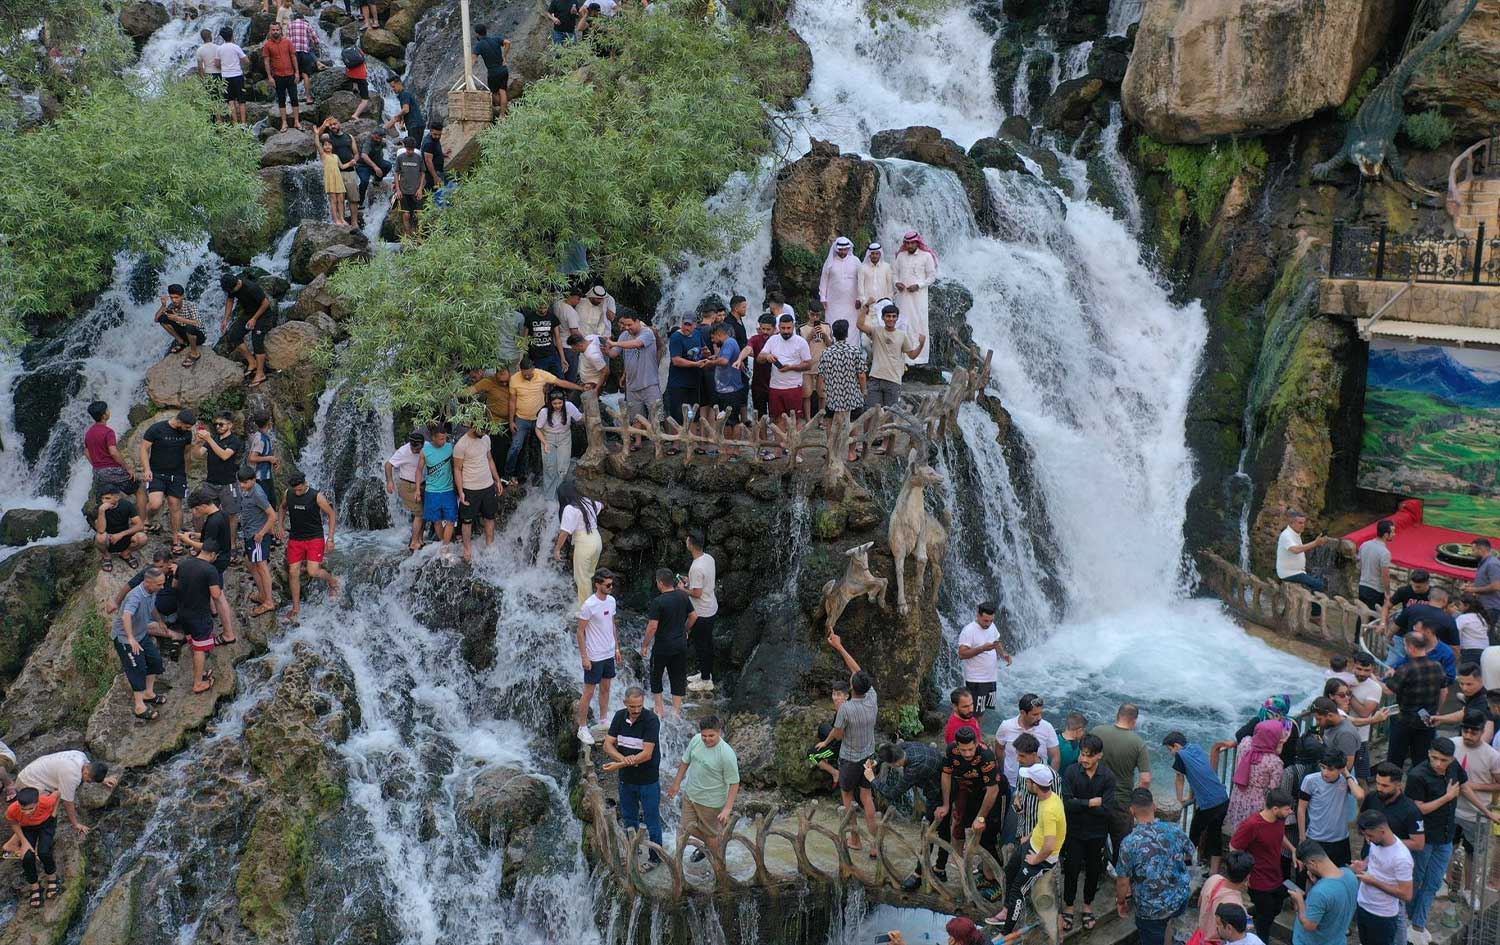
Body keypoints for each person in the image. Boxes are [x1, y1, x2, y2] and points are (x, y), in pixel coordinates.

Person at [1406, 737, 1498, 942]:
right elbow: (1419, 809)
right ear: (1429, 753)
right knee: (1415, 880)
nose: (1439, 763)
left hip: (1445, 837)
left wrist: (1486, 812)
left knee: (1433, 883)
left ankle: (1418, 925)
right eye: (1435, 758)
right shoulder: (1417, 775)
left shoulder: (1454, 767)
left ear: (1451, 759)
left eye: (1444, 760)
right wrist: (1447, 797)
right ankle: (1409, 919)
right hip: (1424, 838)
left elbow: (1464, 788)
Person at [1107, 787, 1194, 945]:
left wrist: (1121, 902)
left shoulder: (1129, 843)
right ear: (1154, 806)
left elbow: (1123, 882)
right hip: (1180, 898)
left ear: (1132, 811)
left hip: (1151, 910)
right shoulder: (1174, 829)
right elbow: (1190, 853)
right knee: (1169, 923)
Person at [987, 763, 1067, 932]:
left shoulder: (1049, 809)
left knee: (1018, 891)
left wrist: (1035, 859)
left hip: (1041, 857)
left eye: (1028, 781)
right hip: (1032, 844)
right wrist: (1030, 836)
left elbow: (1050, 845)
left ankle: (1007, 931)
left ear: (1035, 785)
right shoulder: (1048, 797)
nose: (1026, 783)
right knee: (1009, 871)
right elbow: (1042, 826)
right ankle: (1006, 911)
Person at [871, 740, 946, 890]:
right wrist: (876, 761)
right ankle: (940, 869)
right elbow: (890, 749)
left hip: (940, 792)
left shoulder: (913, 769)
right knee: (941, 831)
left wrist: (872, 779)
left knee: (929, 832)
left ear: (896, 764)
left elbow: (892, 793)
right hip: (938, 780)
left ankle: (920, 874)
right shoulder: (906, 747)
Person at [1061, 733, 1116, 933]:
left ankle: (1087, 905)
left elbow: (1107, 809)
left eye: (1089, 755)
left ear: (1099, 755)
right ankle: (1068, 906)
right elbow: (1066, 804)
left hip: (1097, 833)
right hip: (1074, 832)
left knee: (1094, 871)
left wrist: (1079, 804)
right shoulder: (1071, 772)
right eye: (1082, 754)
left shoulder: (1108, 776)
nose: (1084, 759)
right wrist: (1091, 803)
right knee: (1071, 869)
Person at [601, 686, 661, 869]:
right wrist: (623, 759)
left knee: (652, 820)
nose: (636, 710)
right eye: (632, 706)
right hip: (626, 779)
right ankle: (633, 852)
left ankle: (655, 858)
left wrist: (619, 764)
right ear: (625, 703)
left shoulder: (651, 720)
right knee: (629, 819)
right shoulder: (619, 716)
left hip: (648, 780)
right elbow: (607, 745)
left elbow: (647, 754)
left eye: (639, 706)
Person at [856, 302, 926, 454]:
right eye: (888, 316)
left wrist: (921, 344)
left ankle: (885, 444)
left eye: (894, 316)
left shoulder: (902, 335)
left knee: (889, 414)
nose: (891, 319)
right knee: (869, 413)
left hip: (893, 380)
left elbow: (912, 355)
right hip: (875, 377)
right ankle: (865, 442)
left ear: (897, 318)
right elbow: (859, 325)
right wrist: (865, 307)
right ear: (883, 318)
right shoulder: (876, 331)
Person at [665, 715, 740, 857]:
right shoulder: (696, 740)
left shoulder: (726, 754)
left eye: (711, 736)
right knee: (686, 827)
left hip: (711, 802)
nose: (707, 739)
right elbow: (685, 762)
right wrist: (676, 784)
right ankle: (715, 843)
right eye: (704, 736)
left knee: (711, 835)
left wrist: (727, 809)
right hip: (691, 795)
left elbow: (734, 782)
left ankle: (718, 862)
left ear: (719, 732)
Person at [935, 727, 1006, 874]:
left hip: (992, 791)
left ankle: (991, 875)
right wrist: (946, 804)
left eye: (970, 749)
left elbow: (992, 791)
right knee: (963, 824)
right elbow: (946, 775)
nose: (967, 754)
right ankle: (962, 864)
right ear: (957, 746)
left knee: (988, 833)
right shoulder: (951, 750)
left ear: (977, 743)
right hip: (969, 790)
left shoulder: (986, 755)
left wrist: (980, 818)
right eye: (963, 750)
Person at [1229, 787, 1298, 938]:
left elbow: (1279, 835)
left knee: (1275, 908)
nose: (1290, 812)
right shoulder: (1252, 825)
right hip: (1258, 881)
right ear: (1275, 809)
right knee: (1265, 921)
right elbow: (1234, 848)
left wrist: (1292, 849)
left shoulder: (1279, 819)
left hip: (1275, 875)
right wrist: (1243, 876)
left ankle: (1251, 915)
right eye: (1287, 809)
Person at [112, 565, 179, 720]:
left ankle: (148, 693)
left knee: (155, 660)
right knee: (137, 668)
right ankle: (139, 706)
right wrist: (130, 638)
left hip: (141, 634)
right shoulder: (135, 596)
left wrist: (159, 621)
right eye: (159, 584)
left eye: (163, 583)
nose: (162, 587)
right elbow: (126, 616)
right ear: (148, 583)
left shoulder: (151, 591)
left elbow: (152, 606)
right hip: (125, 639)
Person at [506, 358, 584, 483]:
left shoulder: (541, 374)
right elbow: (512, 401)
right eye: (525, 374)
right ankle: (508, 475)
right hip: (521, 419)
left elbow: (560, 382)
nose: (527, 376)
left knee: (544, 446)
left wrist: (580, 388)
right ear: (520, 370)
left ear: (533, 369)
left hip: (540, 418)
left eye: (529, 374)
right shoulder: (514, 379)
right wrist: (511, 421)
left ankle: (541, 473)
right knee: (516, 446)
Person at [1163, 731, 1231, 875]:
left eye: (1170, 749)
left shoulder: (1180, 755)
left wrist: (1179, 800)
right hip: (1223, 798)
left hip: (1210, 804)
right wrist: (1191, 795)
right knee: (1214, 835)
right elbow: (1197, 772)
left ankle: (1186, 863)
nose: (1171, 753)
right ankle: (1213, 873)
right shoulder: (1196, 748)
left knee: (1195, 830)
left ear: (1176, 746)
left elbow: (1180, 778)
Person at [1092, 703, 1151, 862]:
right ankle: (1119, 872)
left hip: (1096, 797)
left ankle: (1098, 868)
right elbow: (1145, 779)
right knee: (1122, 845)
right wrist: (1136, 801)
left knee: (1095, 840)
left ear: (1117, 715)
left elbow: (1082, 760)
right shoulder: (1138, 743)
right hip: (1122, 801)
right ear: (1134, 720)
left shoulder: (1097, 731)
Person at [278, 473, 340, 620]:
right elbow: (282, 508)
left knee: (313, 571)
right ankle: (296, 608)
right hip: (296, 538)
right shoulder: (289, 493)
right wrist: (279, 525)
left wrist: (330, 538)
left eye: (300, 489)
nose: (297, 493)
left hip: (314, 538)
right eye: (295, 490)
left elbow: (331, 514)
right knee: (293, 572)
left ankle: (332, 580)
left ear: (305, 484)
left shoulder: (316, 496)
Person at [1383, 628, 1448, 767]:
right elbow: (1444, 691)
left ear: (1411, 647)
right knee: (1422, 761)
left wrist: (1376, 679)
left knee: (1395, 760)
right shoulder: (1438, 666)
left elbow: (1388, 690)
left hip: (1404, 720)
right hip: (1427, 720)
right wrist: (1437, 711)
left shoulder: (1405, 669)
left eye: (1405, 645)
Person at [1451, 714, 1500, 893]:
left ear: (1482, 731)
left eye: (1473, 732)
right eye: (1465, 731)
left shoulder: (1492, 756)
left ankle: (1469, 891)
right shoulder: (1452, 744)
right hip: (1452, 810)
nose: (1468, 736)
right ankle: (1449, 886)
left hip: (1476, 815)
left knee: (1473, 855)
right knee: (1448, 849)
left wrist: (1473, 786)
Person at [176, 540, 232, 693]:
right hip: (199, 615)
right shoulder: (210, 570)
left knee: (193, 643)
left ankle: (199, 673)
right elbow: (216, 595)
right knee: (200, 648)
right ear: (213, 554)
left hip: (182, 612)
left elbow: (175, 585)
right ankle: (198, 683)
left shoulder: (184, 564)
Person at [1352, 810, 1414, 945]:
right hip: (1363, 904)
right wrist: (1364, 864)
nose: (1368, 840)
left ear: (1382, 831)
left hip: (1382, 915)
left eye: (1370, 835)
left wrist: (1374, 882)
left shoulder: (1402, 858)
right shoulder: (1376, 842)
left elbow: (1406, 894)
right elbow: (1374, 857)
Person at [574, 569, 620, 745]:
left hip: (608, 653)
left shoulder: (611, 601)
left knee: (606, 688)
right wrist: (584, 657)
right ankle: (582, 727)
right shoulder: (589, 605)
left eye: (612, 584)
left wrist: (617, 648)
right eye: (607, 585)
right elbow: (580, 632)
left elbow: (612, 625)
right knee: (588, 692)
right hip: (594, 655)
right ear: (598, 584)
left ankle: (603, 720)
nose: (610, 587)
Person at [140, 408, 196, 550]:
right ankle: (146, 519)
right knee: (155, 504)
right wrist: (147, 469)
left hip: (177, 474)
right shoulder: (157, 429)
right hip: (157, 472)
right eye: (186, 427)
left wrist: (186, 470)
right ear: (179, 422)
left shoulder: (187, 434)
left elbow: (187, 452)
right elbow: (144, 449)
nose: (188, 430)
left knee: (175, 505)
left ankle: (176, 540)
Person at [641, 568, 694, 718]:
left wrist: (645, 645)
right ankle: (676, 711)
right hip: (680, 644)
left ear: (660, 583)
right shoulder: (683, 596)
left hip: (663, 646)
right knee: (678, 676)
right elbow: (694, 616)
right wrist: (685, 630)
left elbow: (652, 626)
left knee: (656, 675)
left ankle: (659, 709)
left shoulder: (658, 602)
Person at [1285, 839, 1359, 945]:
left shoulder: (1319, 892)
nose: (1308, 870)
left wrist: (1299, 900)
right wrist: (1317, 883)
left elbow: (1309, 925)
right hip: (1337, 939)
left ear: (1312, 863)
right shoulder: (1350, 875)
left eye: (1306, 865)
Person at [1298, 747, 1359, 867]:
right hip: (1315, 838)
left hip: (1340, 839)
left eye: (1330, 769)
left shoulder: (1347, 781)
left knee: (1342, 873)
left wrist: (1347, 774)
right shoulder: (1310, 781)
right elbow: (1301, 808)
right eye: (1323, 767)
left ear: (1340, 769)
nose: (1325, 772)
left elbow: (1359, 795)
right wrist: (1302, 837)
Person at [1226, 719, 1289, 832]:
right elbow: (1273, 790)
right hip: (1258, 804)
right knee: (1254, 834)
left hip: (1239, 797)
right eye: (1280, 740)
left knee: (1240, 832)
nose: (1282, 742)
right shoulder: (1275, 763)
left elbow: (1244, 735)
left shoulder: (1245, 744)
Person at [453, 422, 504, 562]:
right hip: (470, 488)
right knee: (467, 520)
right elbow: (457, 469)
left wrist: (497, 480)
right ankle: (467, 548)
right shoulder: (461, 445)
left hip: (488, 486)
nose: (484, 433)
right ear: (473, 425)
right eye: (482, 430)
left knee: (490, 517)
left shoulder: (486, 438)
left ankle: (490, 545)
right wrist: (460, 491)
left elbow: (490, 459)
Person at [758, 313, 812, 445]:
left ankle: (795, 449)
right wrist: (767, 356)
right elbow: (759, 358)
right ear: (778, 327)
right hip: (775, 386)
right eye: (783, 328)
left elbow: (808, 364)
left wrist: (791, 367)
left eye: (789, 328)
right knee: (777, 419)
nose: (786, 331)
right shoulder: (773, 340)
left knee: (795, 420)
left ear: (793, 326)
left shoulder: (801, 342)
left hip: (794, 386)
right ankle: (779, 449)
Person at [609, 314, 661, 450]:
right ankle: (638, 442)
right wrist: (606, 347)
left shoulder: (647, 333)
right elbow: (614, 353)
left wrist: (615, 343)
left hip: (650, 383)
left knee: (655, 414)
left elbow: (637, 344)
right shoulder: (624, 336)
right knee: (636, 416)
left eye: (629, 324)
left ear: (637, 321)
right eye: (624, 325)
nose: (627, 328)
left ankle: (658, 443)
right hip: (631, 384)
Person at [195, 411, 243, 548]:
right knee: (200, 511)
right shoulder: (213, 438)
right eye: (216, 424)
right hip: (210, 482)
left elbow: (224, 456)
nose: (217, 427)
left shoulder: (234, 440)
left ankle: (231, 545)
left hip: (228, 483)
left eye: (221, 424)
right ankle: (202, 542)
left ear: (230, 425)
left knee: (231, 515)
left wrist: (209, 439)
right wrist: (198, 443)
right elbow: (198, 455)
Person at [817, 322, 866, 454]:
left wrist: (822, 391)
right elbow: (861, 375)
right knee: (854, 423)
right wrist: (863, 391)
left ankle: (831, 451)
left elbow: (821, 376)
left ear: (833, 334)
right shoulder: (855, 351)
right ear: (847, 334)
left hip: (833, 397)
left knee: (830, 422)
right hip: (852, 396)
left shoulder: (826, 353)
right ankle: (851, 453)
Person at [6, 788, 61, 909]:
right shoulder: (12, 809)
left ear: (37, 802)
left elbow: (57, 794)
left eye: (31, 808)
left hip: (46, 824)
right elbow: (13, 823)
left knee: (43, 852)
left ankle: (52, 877)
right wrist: (24, 842)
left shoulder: (46, 801)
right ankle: (35, 886)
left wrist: (54, 813)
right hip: (27, 828)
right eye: (23, 809)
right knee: (27, 856)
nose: (27, 812)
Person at [235, 466, 277, 617]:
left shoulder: (258, 494)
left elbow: (273, 515)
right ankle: (262, 594)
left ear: (253, 480)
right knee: (250, 563)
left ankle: (268, 601)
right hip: (249, 534)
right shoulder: (247, 490)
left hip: (257, 536)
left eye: (245, 483)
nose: (242, 485)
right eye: (240, 482)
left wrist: (262, 533)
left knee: (261, 566)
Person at [553, 482, 604, 607]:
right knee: (589, 574)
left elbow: (564, 532)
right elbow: (601, 505)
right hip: (597, 540)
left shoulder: (570, 509)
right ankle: (593, 603)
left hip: (584, 543)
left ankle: (585, 609)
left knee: (582, 578)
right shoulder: (587, 501)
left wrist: (557, 549)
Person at [956, 602, 1011, 717]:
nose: (988, 624)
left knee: (983, 711)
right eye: (986, 621)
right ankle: (973, 729)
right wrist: (982, 648)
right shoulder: (968, 630)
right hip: (976, 680)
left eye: (991, 620)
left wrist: (1003, 654)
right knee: (974, 713)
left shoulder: (992, 626)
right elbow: (962, 654)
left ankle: (978, 728)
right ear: (978, 615)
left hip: (991, 677)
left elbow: (996, 642)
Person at [84, 401, 142, 508]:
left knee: (108, 497)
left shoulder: (89, 433)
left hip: (98, 472)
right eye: (107, 410)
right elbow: (113, 452)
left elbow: (86, 452)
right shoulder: (108, 432)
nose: (109, 411)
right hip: (112, 470)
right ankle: (143, 517)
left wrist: (97, 465)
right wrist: (128, 468)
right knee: (139, 488)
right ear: (104, 415)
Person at [219, 273, 272, 388]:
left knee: (257, 340)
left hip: (263, 315)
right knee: (234, 335)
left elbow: (266, 303)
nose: (231, 292)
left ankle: (260, 373)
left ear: (236, 284)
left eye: (231, 290)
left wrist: (254, 319)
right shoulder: (231, 285)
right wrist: (226, 319)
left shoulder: (251, 288)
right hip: (248, 313)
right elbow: (230, 300)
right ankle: (252, 362)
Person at [892, 232, 937, 364]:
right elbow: (894, 273)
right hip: (902, 298)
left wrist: (918, 285)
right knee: (902, 323)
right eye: (907, 243)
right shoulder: (900, 256)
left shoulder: (926, 256)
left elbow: (932, 277)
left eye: (912, 243)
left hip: (918, 298)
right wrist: (897, 283)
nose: (909, 245)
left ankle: (920, 358)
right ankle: (902, 357)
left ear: (917, 242)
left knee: (918, 324)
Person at [683, 530, 718, 694]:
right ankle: (705, 673)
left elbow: (696, 593)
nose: (685, 542)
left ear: (691, 544)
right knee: (707, 643)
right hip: (711, 607)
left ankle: (706, 681)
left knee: (702, 646)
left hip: (702, 612)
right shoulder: (708, 558)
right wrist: (690, 581)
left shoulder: (696, 567)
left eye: (687, 540)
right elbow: (703, 582)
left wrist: (682, 589)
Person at [415, 425, 458, 557]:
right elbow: (419, 470)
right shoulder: (425, 451)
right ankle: (444, 544)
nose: (443, 441)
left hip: (448, 490)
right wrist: (417, 490)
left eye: (444, 438)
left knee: (451, 519)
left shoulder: (450, 447)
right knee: (436, 521)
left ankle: (445, 546)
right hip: (432, 491)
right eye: (440, 439)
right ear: (433, 438)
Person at [1196, 851, 1255, 945]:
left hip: (1200, 936)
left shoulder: (1214, 879)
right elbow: (1237, 935)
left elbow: (1199, 903)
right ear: (1248, 877)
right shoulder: (1236, 907)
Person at [664, 314, 709, 434]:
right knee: (678, 415)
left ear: (695, 325)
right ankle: (676, 442)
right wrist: (695, 364)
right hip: (678, 383)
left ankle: (692, 440)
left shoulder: (698, 334)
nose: (686, 327)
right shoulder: (676, 337)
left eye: (689, 325)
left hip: (694, 382)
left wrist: (707, 354)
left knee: (693, 413)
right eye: (685, 324)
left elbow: (704, 349)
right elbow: (676, 360)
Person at [536, 387, 583, 501]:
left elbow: (580, 418)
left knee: (562, 469)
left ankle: (559, 495)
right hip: (548, 438)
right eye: (555, 403)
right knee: (550, 468)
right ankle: (549, 497)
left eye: (560, 403)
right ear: (550, 403)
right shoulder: (544, 412)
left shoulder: (569, 406)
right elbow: (538, 429)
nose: (557, 406)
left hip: (564, 437)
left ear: (563, 401)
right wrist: (545, 443)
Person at [385, 430, 426, 552]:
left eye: (417, 448)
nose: (414, 450)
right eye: (412, 447)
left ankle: (420, 539)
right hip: (407, 486)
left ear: (422, 445)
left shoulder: (427, 447)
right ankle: (413, 542)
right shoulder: (403, 451)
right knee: (419, 513)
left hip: (422, 484)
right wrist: (389, 481)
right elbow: (388, 465)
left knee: (423, 514)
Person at [317, 116, 361, 228]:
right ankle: (340, 221)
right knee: (338, 199)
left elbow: (356, 153)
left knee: (353, 198)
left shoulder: (349, 137)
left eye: (335, 124)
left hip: (349, 171)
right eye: (331, 125)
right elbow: (317, 136)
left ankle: (354, 222)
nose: (333, 126)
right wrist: (324, 125)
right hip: (335, 173)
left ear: (339, 123)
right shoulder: (328, 136)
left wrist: (354, 161)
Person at [1276, 509, 1333, 593]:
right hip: (1289, 573)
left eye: (1304, 523)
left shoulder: (1295, 534)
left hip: (1297, 572)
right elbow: (1295, 550)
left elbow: (1300, 549)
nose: (1303, 525)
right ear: (1292, 523)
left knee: (1319, 579)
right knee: (1319, 585)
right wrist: (1315, 543)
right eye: (1300, 523)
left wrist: (1316, 542)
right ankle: (1314, 602)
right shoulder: (1286, 535)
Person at [181, 487, 233, 577]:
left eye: (196, 509)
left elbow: (207, 547)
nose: (194, 512)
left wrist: (187, 540)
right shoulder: (222, 514)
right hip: (224, 557)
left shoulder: (213, 521)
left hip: (216, 560)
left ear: (204, 506)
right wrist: (194, 535)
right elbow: (215, 536)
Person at [93, 486, 147, 572]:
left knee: (142, 538)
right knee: (100, 537)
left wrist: (121, 534)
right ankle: (106, 556)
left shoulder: (127, 505)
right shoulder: (100, 508)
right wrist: (101, 512)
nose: (104, 501)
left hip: (124, 536)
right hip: (108, 538)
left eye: (107, 498)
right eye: (102, 498)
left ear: (117, 497)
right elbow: (101, 530)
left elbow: (140, 525)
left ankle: (126, 554)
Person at [707, 324, 746, 439]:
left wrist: (711, 363)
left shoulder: (729, 342)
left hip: (731, 390)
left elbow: (724, 361)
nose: (713, 341)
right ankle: (729, 446)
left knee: (731, 421)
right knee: (726, 421)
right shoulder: (728, 343)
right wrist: (715, 358)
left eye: (713, 338)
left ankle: (732, 447)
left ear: (719, 334)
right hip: (726, 389)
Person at [153, 283, 206, 366]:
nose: (174, 300)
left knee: (190, 327)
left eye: (176, 297)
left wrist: (177, 318)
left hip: (198, 336)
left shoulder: (191, 306)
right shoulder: (171, 306)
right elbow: (156, 319)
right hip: (185, 333)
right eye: (172, 298)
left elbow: (198, 323)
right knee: (162, 319)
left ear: (182, 296)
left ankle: (195, 354)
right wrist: (163, 305)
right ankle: (181, 342)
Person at [261, 22, 301, 132]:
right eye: (273, 30)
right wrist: (270, 77)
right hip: (278, 76)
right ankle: (284, 122)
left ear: (281, 30)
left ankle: (297, 121)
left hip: (290, 74)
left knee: (294, 98)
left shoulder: (287, 42)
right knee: (281, 99)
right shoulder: (267, 45)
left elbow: (293, 57)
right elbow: (266, 62)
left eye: (277, 30)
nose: (275, 32)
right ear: (270, 31)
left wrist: (297, 73)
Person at [818, 236, 861, 338]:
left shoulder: (855, 261)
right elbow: (824, 280)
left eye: (845, 249)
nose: (842, 252)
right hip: (833, 302)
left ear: (848, 249)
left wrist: (860, 298)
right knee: (833, 323)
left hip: (851, 302)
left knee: (852, 327)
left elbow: (861, 280)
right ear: (836, 249)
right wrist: (823, 297)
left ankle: (852, 347)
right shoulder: (830, 262)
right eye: (840, 250)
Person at [738, 313, 776, 420]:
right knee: (760, 416)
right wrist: (740, 359)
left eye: (768, 329)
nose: (765, 332)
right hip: (758, 385)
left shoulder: (779, 340)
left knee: (776, 416)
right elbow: (748, 348)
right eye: (763, 329)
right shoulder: (755, 339)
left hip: (775, 385)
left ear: (774, 329)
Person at [1461, 537, 1500, 630]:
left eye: (1473, 550)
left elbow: (1496, 586)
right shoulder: (1484, 562)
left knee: (1486, 634)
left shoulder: (1492, 564)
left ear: (1481, 549)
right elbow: (1485, 581)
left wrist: (1473, 590)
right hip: (1484, 606)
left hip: (1490, 607)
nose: (1472, 553)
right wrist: (1470, 586)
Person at [1357, 519, 1395, 614]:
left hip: (1362, 586)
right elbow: (1385, 575)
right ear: (1386, 535)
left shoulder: (1364, 545)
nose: (1394, 534)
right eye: (1393, 532)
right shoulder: (1385, 553)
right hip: (1375, 590)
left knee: (1362, 616)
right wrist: (1388, 593)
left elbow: (1360, 565)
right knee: (1372, 618)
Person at [473, 24, 511, 116]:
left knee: (494, 94)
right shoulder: (495, 39)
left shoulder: (479, 45)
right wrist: (504, 56)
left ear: (477, 34)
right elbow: (508, 42)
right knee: (503, 91)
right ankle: (503, 115)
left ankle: (504, 111)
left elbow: (473, 59)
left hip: (493, 73)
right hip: (503, 70)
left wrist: (468, 69)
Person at [287, 12, 322, 103]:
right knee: (306, 75)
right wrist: (314, 45)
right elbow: (316, 39)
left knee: (294, 74)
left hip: (293, 53)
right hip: (304, 52)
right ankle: (308, 98)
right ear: (303, 18)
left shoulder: (290, 25)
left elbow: (287, 40)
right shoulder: (306, 24)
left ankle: (292, 98)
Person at [393, 136, 425, 237]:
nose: (410, 151)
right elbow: (396, 173)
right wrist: (398, 189)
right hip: (404, 191)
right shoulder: (400, 158)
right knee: (406, 214)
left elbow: (423, 173)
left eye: (412, 149)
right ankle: (408, 236)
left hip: (416, 191)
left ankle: (419, 236)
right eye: (408, 149)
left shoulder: (418, 158)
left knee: (419, 214)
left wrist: (420, 189)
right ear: (405, 147)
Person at [217, 26, 248, 124]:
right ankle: (243, 123)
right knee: (241, 100)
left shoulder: (219, 49)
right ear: (232, 35)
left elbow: (217, 64)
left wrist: (224, 67)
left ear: (222, 37)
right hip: (237, 76)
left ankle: (235, 123)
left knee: (230, 100)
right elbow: (246, 61)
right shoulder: (236, 47)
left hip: (225, 77)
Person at [857, 241, 894, 324]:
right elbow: (860, 289)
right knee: (867, 327)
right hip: (868, 305)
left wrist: (888, 302)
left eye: (877, 254)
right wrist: (865, 305)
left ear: (880, 254)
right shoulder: (862, 268)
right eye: (872, 253)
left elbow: (890, 288)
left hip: (883, 305)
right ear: (869, 254)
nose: (874, 256)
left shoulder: (886, 267)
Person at [384, 77, 425, 150]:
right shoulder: (404, 94)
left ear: (399, 83)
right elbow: (406, 111)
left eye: (393, 86)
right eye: (391, 87)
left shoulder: (404, 94)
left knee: (412, 149)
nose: (392, 89)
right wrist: (402, 122)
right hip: (416, 125)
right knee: (414, 148)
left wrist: (396, 116)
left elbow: (406, 110)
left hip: (414, 125)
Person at [1455, 595, 1490, 668]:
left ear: (1467, 606)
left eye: (1460, 604)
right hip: (1485, 650)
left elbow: (1456, 633)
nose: (1458, 607)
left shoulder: (1463, 618)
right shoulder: (1481, 617)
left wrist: (1456, 650)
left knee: (1469, 673)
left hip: (1469, 651)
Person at [341, 42, 370, 120]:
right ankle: (355, 115)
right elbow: (363, 59)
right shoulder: (357, 49)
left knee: (355, 80)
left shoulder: (344, 52)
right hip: (361, 76)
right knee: (365, 100)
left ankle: (355, 88)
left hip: (350, 75)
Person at [421, 122, 446, 192]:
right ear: (431, 131)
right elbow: (428, 161)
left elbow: (433, 151)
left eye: (439, 135)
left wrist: (441, 154)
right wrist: (435, 177)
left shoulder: (433, 139)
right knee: (436, 194)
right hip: (432, 175)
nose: (437, 136)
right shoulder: (429, 143)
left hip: (436, 172)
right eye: (435, 134)